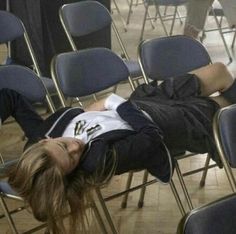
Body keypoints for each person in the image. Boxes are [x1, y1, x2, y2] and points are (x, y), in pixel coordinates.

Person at [2, 62, 236, 233]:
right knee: (223, 106)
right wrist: (109, 102)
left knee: (219, 71)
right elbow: (151, 137)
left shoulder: (39, 138)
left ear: (45, 141)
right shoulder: (99, 161)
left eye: (64, 146)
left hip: (146, 100)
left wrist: (113, 106)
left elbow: (10, 98)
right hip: (169, 123)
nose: (76, 146)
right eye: (72, 160)